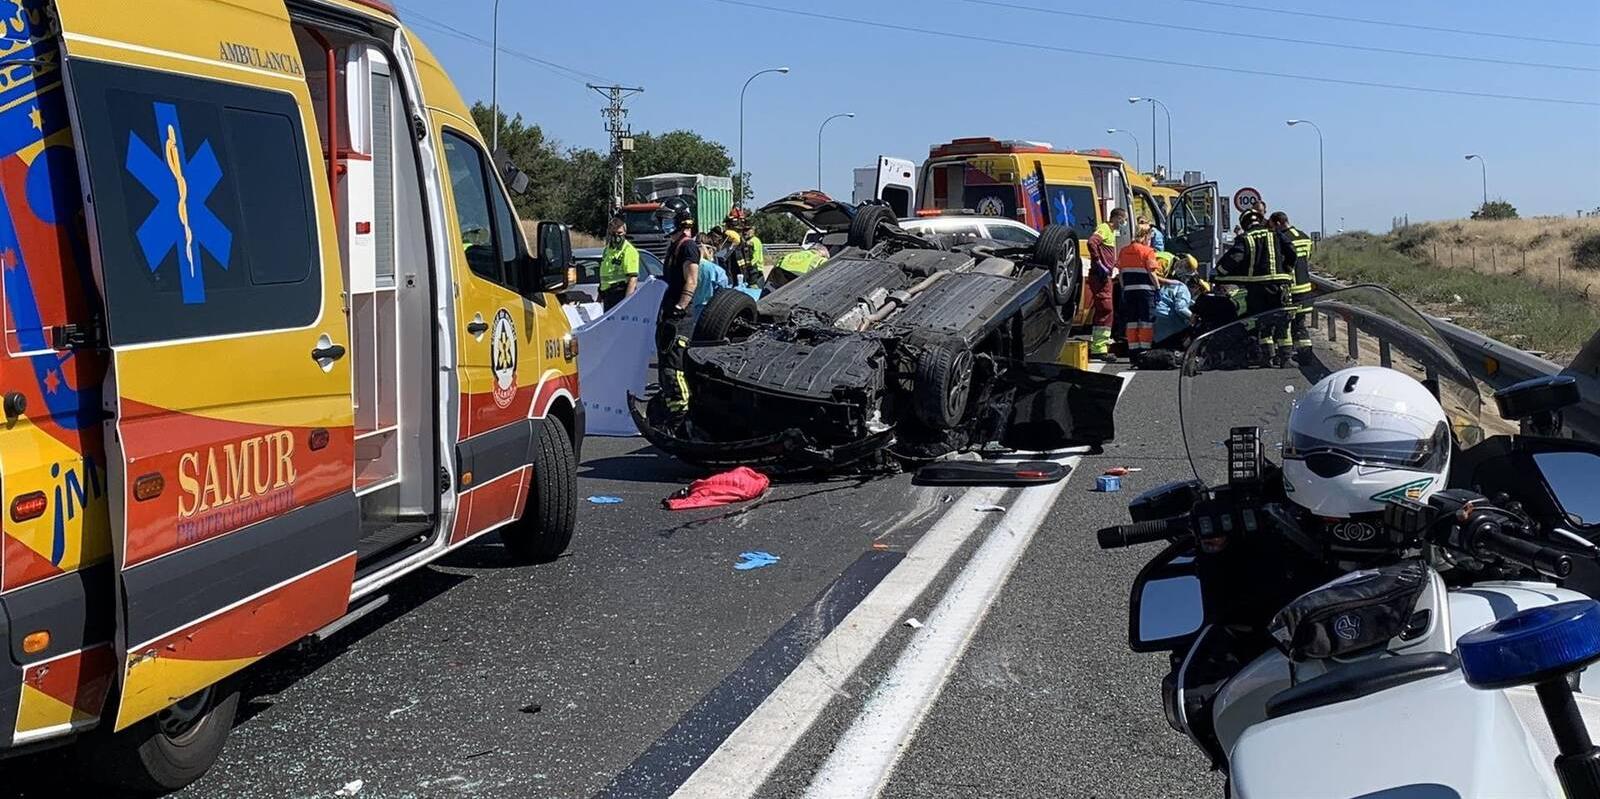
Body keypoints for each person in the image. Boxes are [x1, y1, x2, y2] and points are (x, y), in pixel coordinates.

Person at [1215, 208, 1298, 367]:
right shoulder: (1275, 234)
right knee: (1282, 321)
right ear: (1260, 220)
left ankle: (1267, 358)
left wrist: (1220, 272)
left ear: (1245, 224)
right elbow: (1292, 251)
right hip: (1280, 285)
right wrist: (1286, 268)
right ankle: (1286, 359)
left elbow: (1235, 258)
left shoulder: (1245, 238)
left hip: (1257, 288)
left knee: (1262, 321)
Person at [656, 209, 700, 421]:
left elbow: (691, 280)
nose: (663, 223)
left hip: (679, 317)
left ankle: (682, 415)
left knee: (675, 367)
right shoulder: (673, 246)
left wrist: (680, 306)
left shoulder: (688, 246)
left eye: (667, 219)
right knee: (665, 364)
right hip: (668, 312)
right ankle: (671, 411)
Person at [1269, 210, 1317, 353]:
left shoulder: (1281, 240)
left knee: (1284, 325)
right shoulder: (1305, 237)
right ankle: (1305, 353)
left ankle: (1285, 355)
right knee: (1300, 324)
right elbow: (1307, 259)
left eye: (1273, 226)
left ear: (1278, 223)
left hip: (1290, 289)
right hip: (1305, 289)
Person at [1116, 223, 1162, 361]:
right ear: (1145, 236)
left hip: (1129, 291)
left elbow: (1121, 273)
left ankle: (1133, 350)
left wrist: (1124, 289)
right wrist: (1158, 288)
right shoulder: (1148, 252)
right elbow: (1152, 273)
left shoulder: (1124, 251)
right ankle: (1144, 350)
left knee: (1132, 321)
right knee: (1146, 321)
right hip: (1146, 291)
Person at [1087, 207, 1127, 362]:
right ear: (1117, 218)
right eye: (1123, 219)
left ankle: (1100, 346)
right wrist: (1098, 263)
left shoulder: (1110, 232)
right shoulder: (1104, 228)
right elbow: (1092, 243)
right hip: (1100, 277)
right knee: (1106, 308)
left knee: (1106, 310)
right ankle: (1099, 348)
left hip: (1106, 276)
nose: (1123, 223)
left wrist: (1113, 266)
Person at [1153, 253, 1198, 349]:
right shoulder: (1181, 286)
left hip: (1155, 319)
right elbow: (1180, 308)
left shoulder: (1171, 281)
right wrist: (1193, 318)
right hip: (1166, 324)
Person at [598, 215, 640, 310]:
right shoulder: (607, 250)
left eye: (619, 233)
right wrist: (599, 297)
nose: (616, 236)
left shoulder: (628, 251)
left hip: (620, 295)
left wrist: (626, 303)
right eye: (613, 233)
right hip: (607, 296)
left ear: (625, 232)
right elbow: (604, 276)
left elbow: (632, 279)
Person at [693, 244, 732, 319]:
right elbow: (724, 292)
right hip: (713, 309)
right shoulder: (716, 270)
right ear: (710, 251)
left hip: (696, 308)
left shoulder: (689, 267)